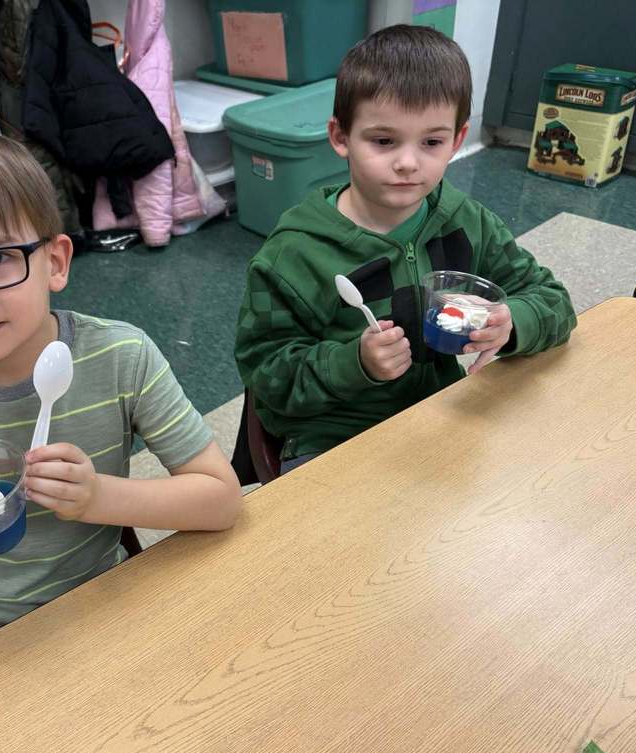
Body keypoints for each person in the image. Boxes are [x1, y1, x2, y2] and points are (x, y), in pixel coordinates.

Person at [0, 127, 240, 662]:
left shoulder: (121, 358)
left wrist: (98, 498)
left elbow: (221, 500)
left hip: (98, 601)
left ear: (55, 262)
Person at [235, 25, 576, 474]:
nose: (408, 163)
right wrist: (354, 363)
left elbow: (554, 300)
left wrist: (512, 321)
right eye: (383, 141)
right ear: (341, 137)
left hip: (443, 413)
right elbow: (266, 376)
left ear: (457, 140)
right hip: (335, 437)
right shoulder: (293, 255)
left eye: (431, 142)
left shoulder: (468, 222)